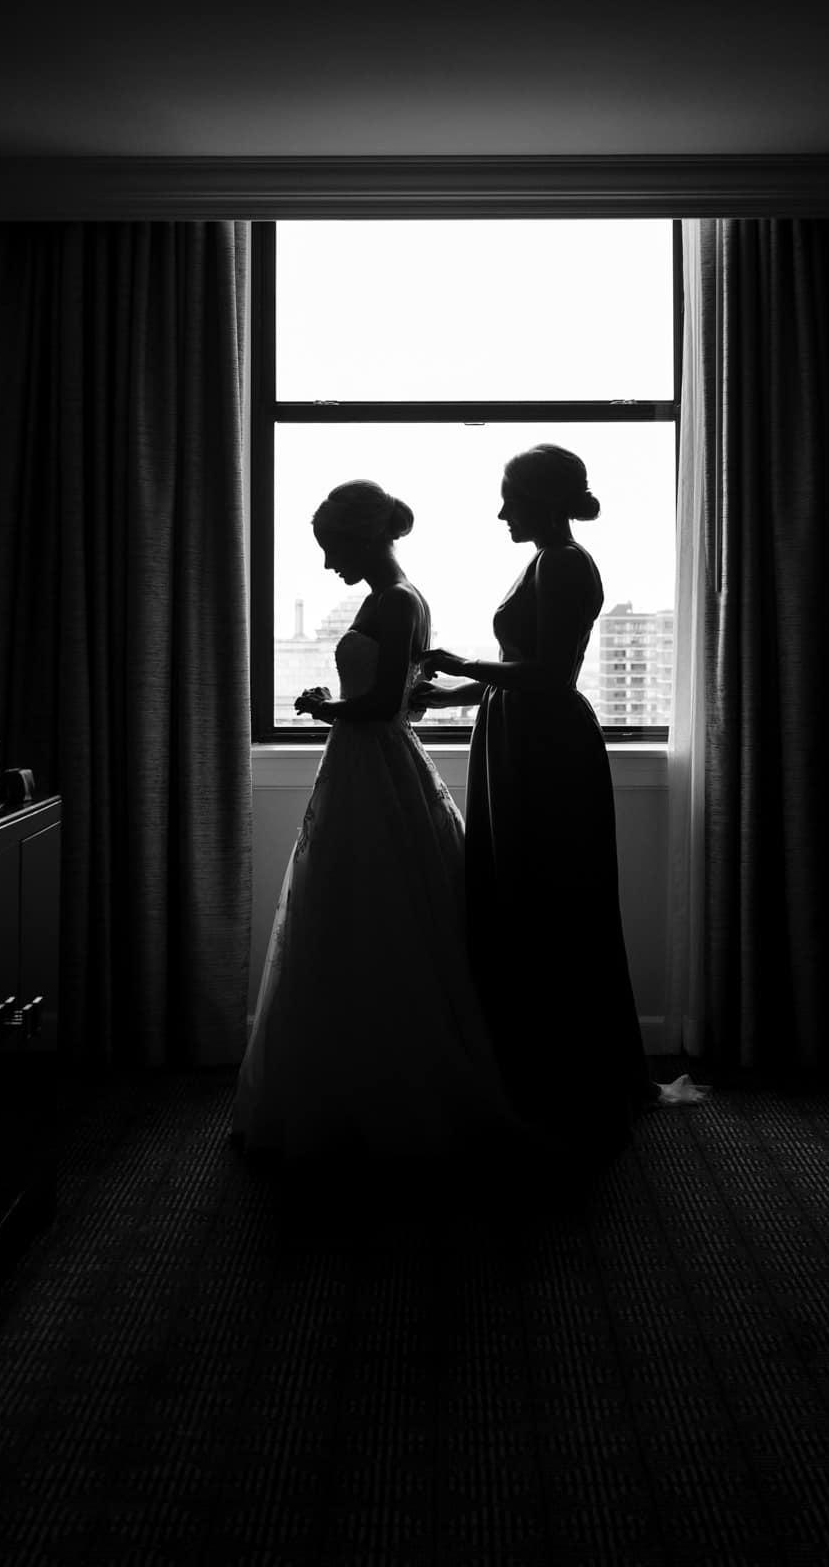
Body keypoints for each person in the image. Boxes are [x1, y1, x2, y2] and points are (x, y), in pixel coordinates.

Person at [415, 445, 704, 1165]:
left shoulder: (567, 563)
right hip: (518, 734)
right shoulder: (543, 561)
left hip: (545, 744)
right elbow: (518, 672)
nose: (501, 511)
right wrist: (448, 696)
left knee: (550, 898)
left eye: (510, 497)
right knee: (519, 893)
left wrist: (460, 665)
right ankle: (533, 1068)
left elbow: (545, 673)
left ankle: (568, 1078)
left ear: (543, 500)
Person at [233, 479, 521, 1164]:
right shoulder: (393, 598)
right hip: (372, 765)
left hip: (372, 763)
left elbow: (385, 703)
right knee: (364, 912)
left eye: (334, 548)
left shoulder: (394, 601)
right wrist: (341, 705)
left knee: (367, 911)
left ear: (364, 538)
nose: (329, 562)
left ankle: (375, 1091)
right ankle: (356, 1083)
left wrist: (322, 707)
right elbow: (409, 703)